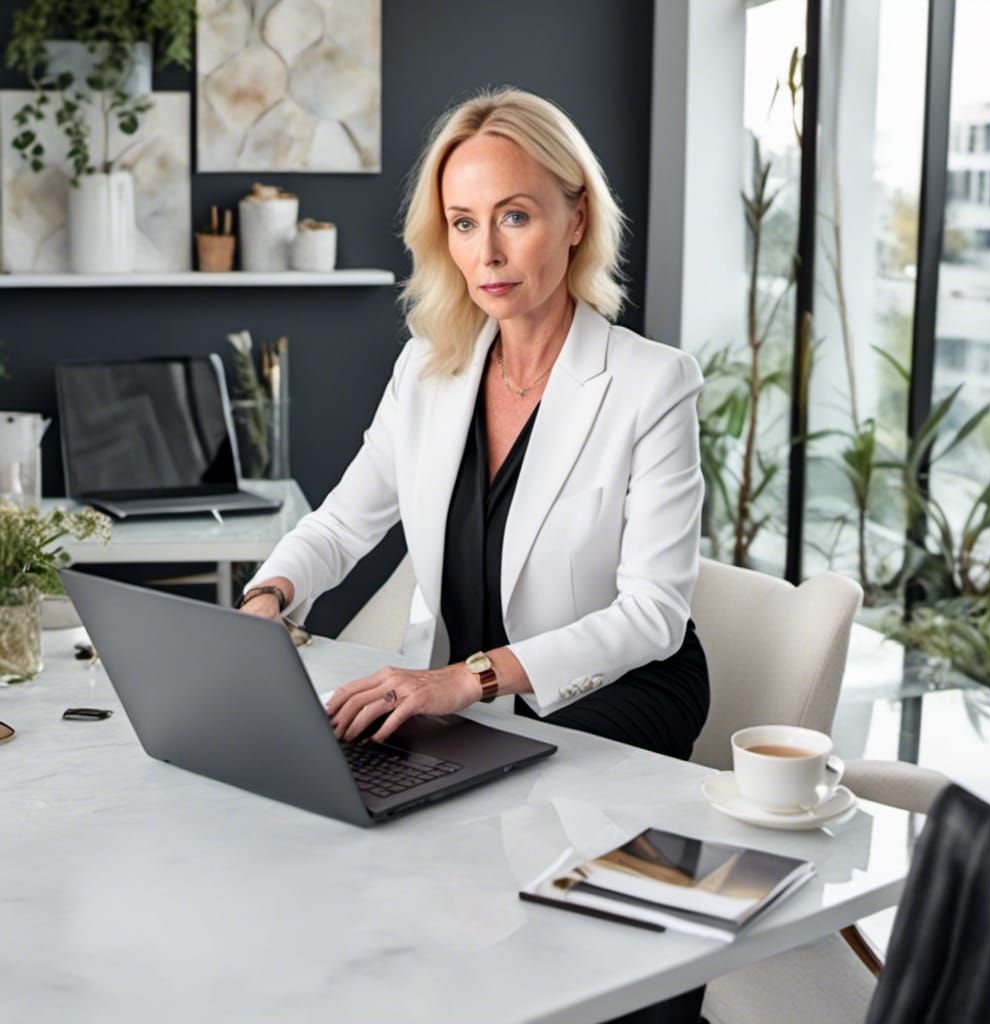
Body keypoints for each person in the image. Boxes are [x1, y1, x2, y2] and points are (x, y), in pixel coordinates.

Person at [239, 87, 709, 1023]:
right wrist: (271, 596)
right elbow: (342, 522)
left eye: (516, 217)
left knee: (528, 887)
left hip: (615, 688)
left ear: (576, 218)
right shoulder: (429, 365)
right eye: (462, 222)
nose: (485, 253)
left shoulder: (653, 383)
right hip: (464, 696)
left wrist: (467, 679)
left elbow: (653, 613)